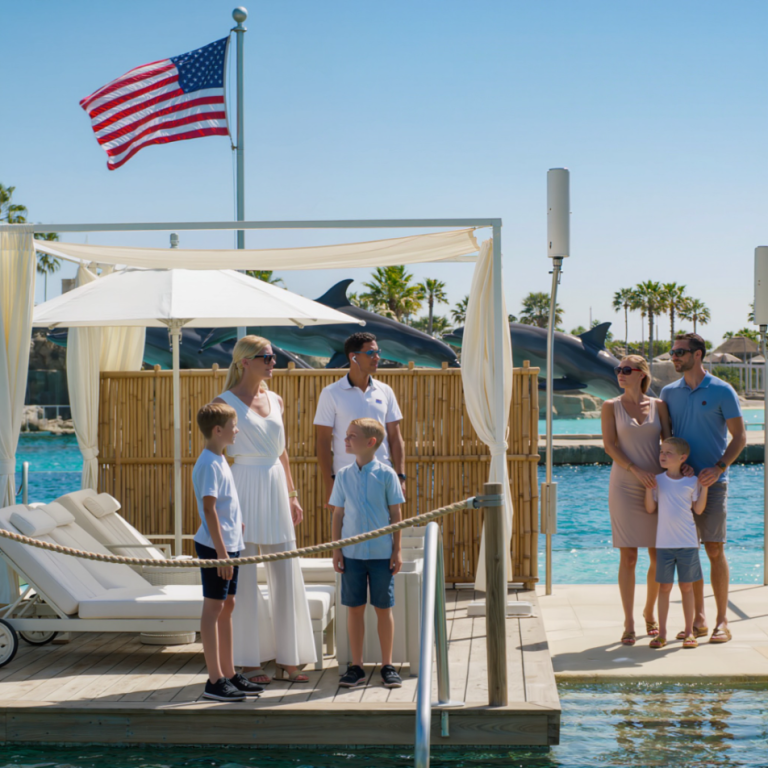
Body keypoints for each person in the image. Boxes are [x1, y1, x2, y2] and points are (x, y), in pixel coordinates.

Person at [215, 335, 316, 684]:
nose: (274, 362)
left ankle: (289, 659)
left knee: (286, 572)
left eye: (274, 357)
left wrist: (292, 494)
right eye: (267, 357)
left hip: (275, 485)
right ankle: (249, 662)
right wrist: (224, 505)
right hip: (242, 485)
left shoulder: (276, 399)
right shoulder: (224, 403)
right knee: (243, 578)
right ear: (245, 361)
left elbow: (281, 451)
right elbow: (218, 457)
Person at [661, 333, 747, 644]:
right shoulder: (668, 393)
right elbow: (668, 440)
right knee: (689, 551)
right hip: (680, 485)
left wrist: (719, 467)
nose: (674, 357)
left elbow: (740, 437)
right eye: (672, 352)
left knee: (714, 549)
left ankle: (722, 620)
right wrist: (676, 467)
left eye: (680, 352)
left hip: (713, 483)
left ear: (697, 354)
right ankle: (698, 617)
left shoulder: (723, 390)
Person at [192, 402, 264, 701]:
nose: (237, 431)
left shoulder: (220, 459)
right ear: (218, 430)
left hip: (230, 543)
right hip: (215, 547)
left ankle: (230, 673)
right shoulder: (209, 463)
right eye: (234, 426)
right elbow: (209, 510)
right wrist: (222, 553)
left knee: (228, 605)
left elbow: (224, 503)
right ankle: (214, 680)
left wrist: (237, 524)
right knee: (213, 609)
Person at [601, 355, 672, 646]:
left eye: (626, 369)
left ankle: (649, 612)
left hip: (656, 485)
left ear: (642, 374)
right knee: (628, 556)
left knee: (658, 555)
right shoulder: (610, 406)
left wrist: (678, 471)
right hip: (624, 485)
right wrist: (635, 470)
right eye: (618, 369)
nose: (620, 373)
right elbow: (609, 446)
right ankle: (629, 622)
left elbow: (668, 443)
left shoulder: (659, 406)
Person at [331, 418, 405, 689]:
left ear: (371, 442)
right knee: (354, 610)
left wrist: (397, 550)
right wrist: (337, 549)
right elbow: (338, 514)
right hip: (352, 555)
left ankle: (387, 666)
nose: (345, 440)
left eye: (351, 436)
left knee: (384, 608)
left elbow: (396, 514)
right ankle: (357, 666)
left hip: (382, 555)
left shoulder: (387, 475)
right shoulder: (343, 475)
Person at [315, 332, 406, 509]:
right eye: (371, 353)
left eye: (378, 352)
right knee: (345, 528)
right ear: (353, 357)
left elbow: (396, 438)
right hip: (345, 481)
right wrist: (329, 484)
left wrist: (400, 477)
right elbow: (323, 441)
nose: (377, 357)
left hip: (382, 479)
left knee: (387, 528)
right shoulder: (331, 393)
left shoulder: (385, 391)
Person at [644, 437, 708, 649]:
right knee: (664, 587)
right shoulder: (657, 480)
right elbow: (650, 509)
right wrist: (648, 488)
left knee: (686, 587)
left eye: (668, 452)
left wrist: (705, 488)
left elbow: (698, 509)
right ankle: (662, 634)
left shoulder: (692, 481)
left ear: (683, 458)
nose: (663, 455)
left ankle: (689, 632)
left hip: (688, 543)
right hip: (664, 543)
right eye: (661, 452)